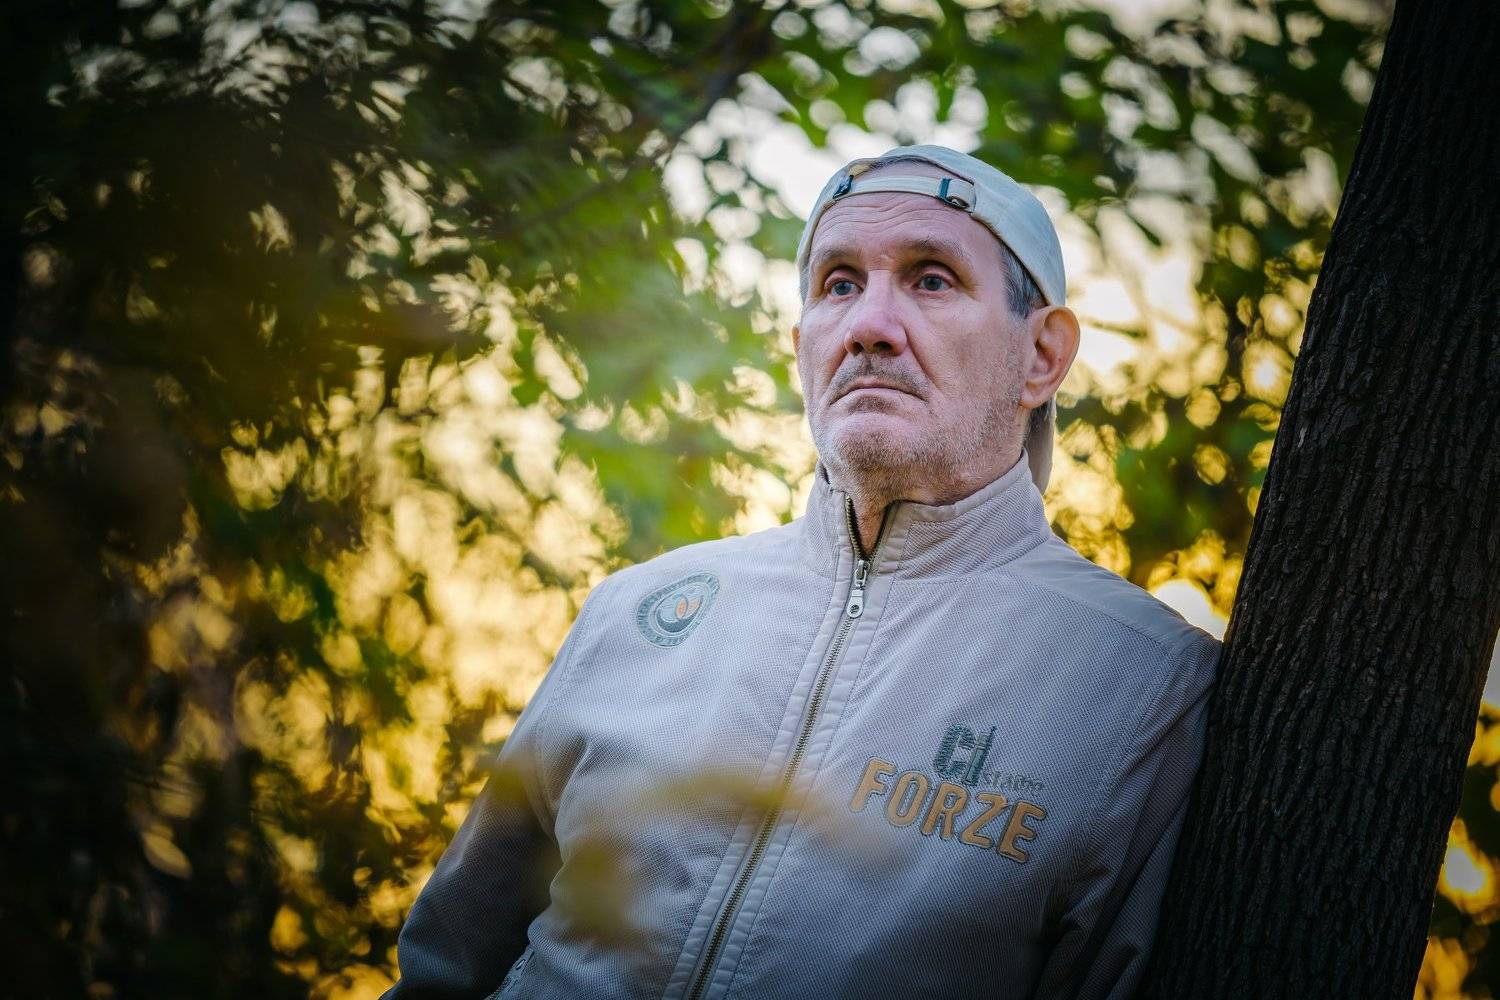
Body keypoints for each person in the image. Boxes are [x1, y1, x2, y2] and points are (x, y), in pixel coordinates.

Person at [384, 144, 1220, 999]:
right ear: (801, 348)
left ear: (1041, 355)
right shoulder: (636, 612)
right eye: (839, 284)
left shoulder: (1140, 683)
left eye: (932, 279)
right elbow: (447, 966)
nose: (869, 325)